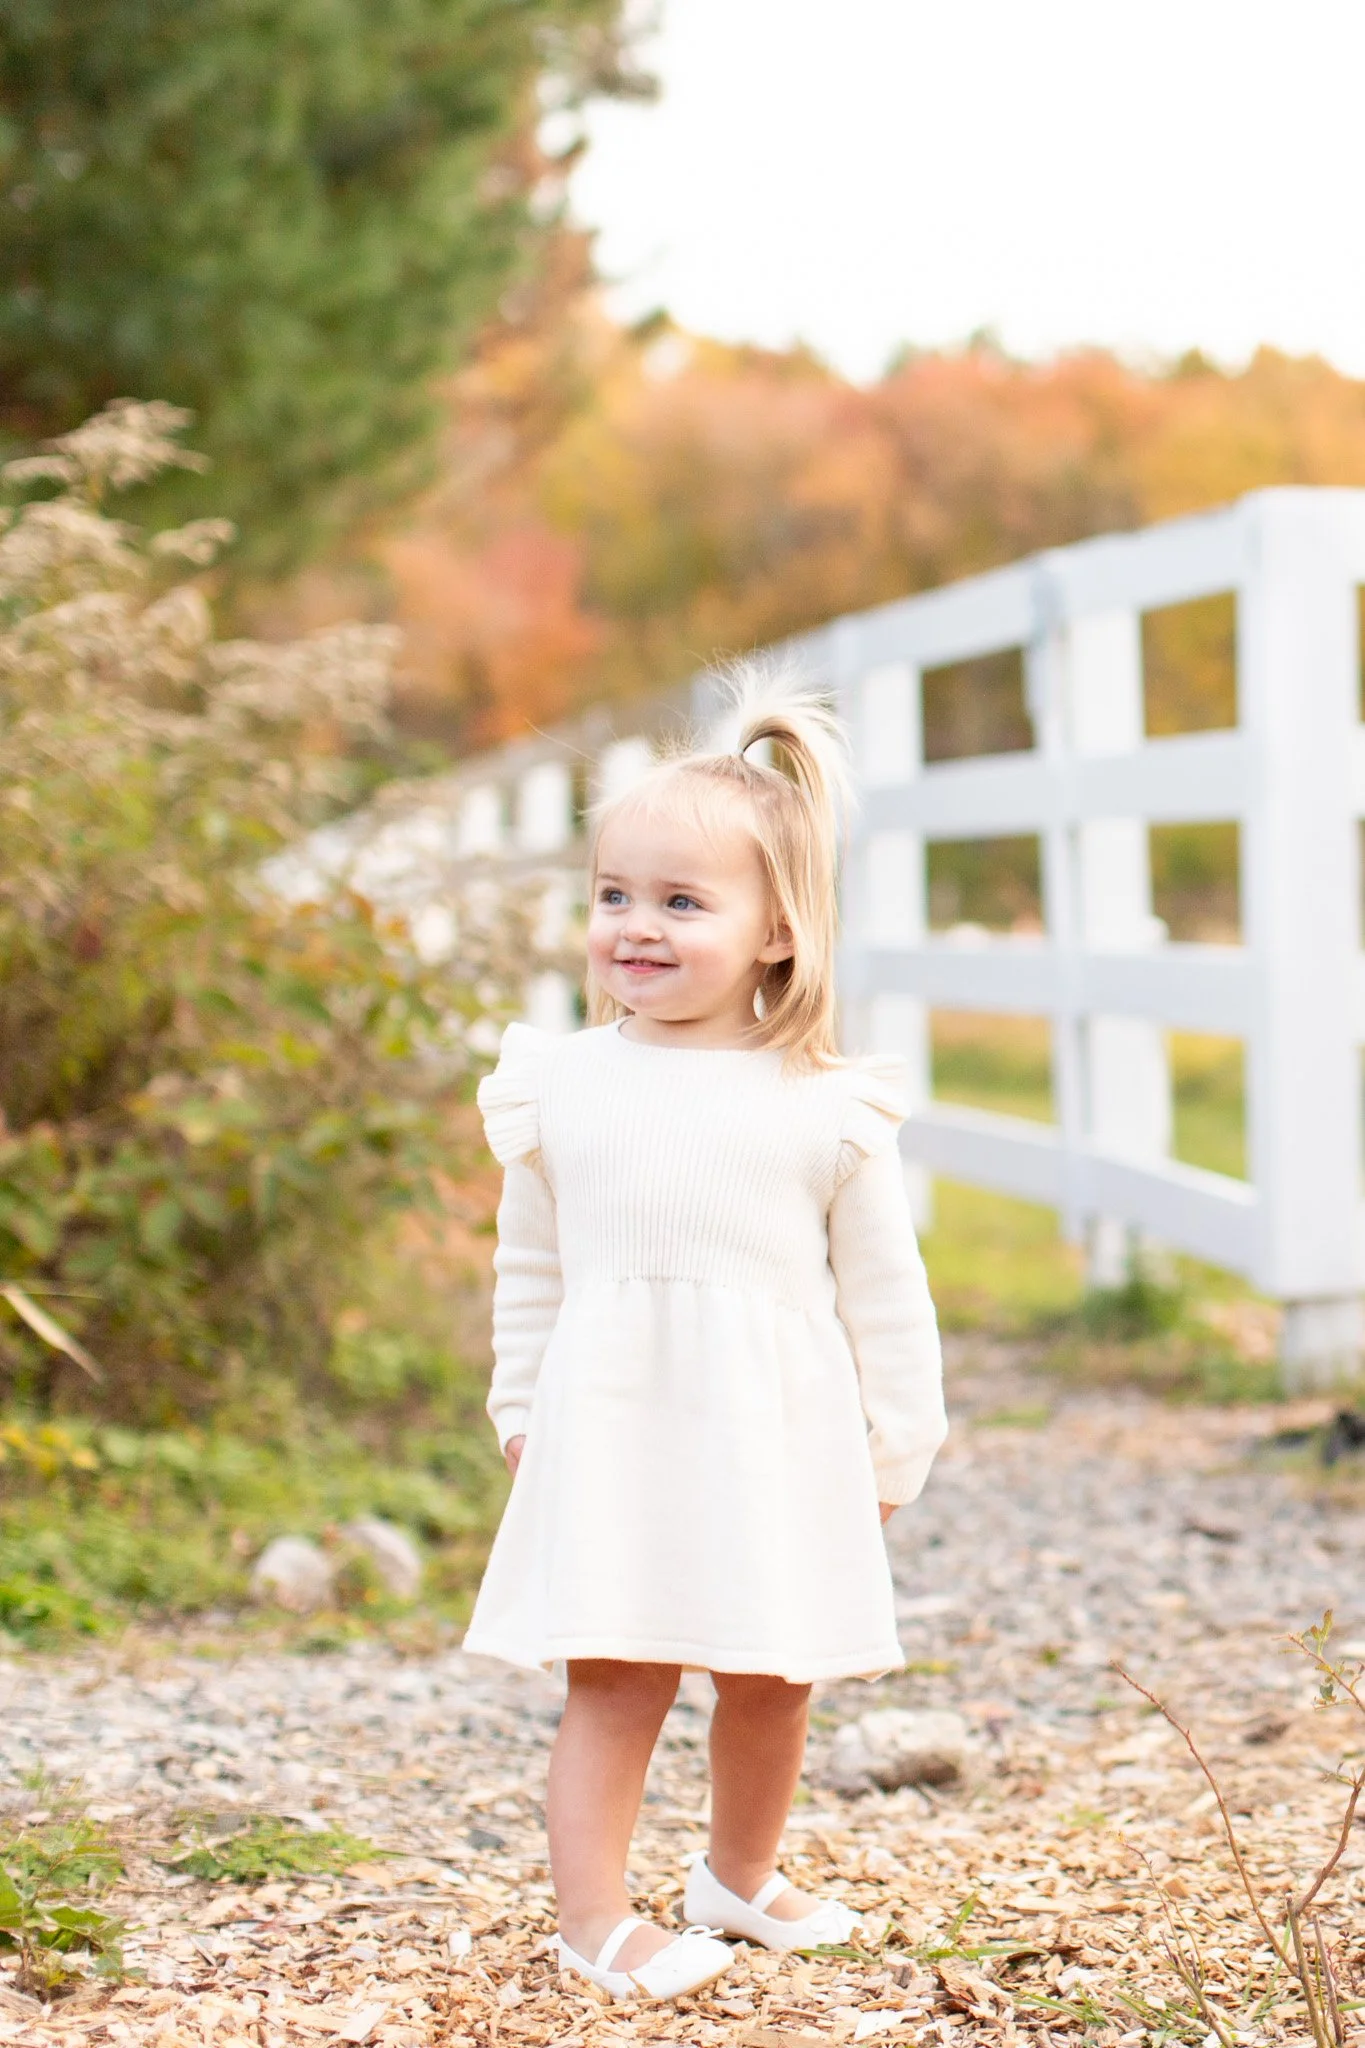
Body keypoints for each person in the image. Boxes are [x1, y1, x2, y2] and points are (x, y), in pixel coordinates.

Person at [466, 660, 947, 2004]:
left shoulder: (822, 1106)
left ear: (777, 930)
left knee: (774, 1669)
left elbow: (883, 1294)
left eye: (683, 902)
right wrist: (519, 1407)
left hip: (774, 1434)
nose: (638, 926)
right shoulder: (560, 1084)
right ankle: (592, 1917)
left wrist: (898, 1442)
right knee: (619, 1678)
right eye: (615, 896)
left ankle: (738, 1873)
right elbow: (533, 1266)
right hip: (614, 1426)